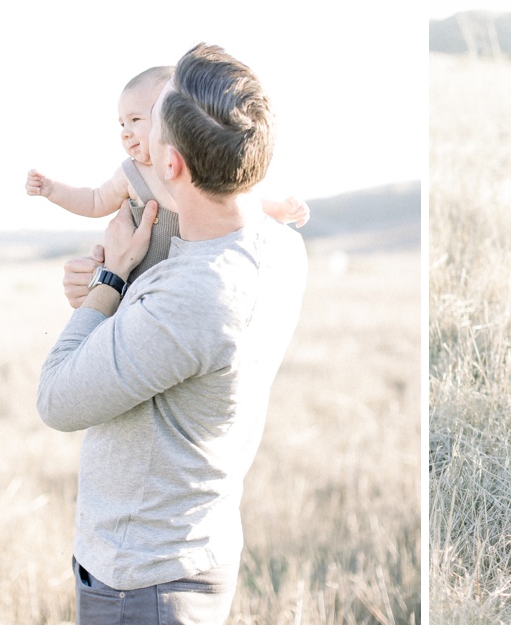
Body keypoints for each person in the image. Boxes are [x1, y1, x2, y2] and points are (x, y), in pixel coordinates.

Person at [37, 43, 308, 624]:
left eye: (149, 127)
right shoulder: (278, 244)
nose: (133, 141)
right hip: (194, 546)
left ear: (172, 166)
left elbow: (56, 400)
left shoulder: (192, 297)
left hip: (142, 579)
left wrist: (108, 281)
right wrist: (115, 286)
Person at [26, 65, 309, 284]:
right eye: (121, 123)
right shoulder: (130, 174)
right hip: (135, 286)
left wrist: (280, 210)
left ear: (168, 118)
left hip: (184, 283)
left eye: (136, 119)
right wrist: (52, 190)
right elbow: (94, 201)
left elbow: (237, 201)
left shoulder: (192, 168)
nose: (125, 131)